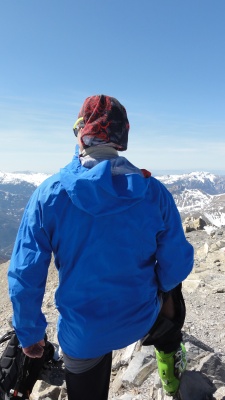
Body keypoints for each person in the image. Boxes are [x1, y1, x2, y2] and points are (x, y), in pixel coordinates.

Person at [8, 94, 194, 399]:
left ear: (81, 134)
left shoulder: (49, 195)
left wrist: (29, 333)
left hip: (83, 336)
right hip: (141, 318)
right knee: (172, 286)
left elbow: (25, 275)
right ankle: (170, 356)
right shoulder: (153, 192)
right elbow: (176, 264)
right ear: (123, 135)